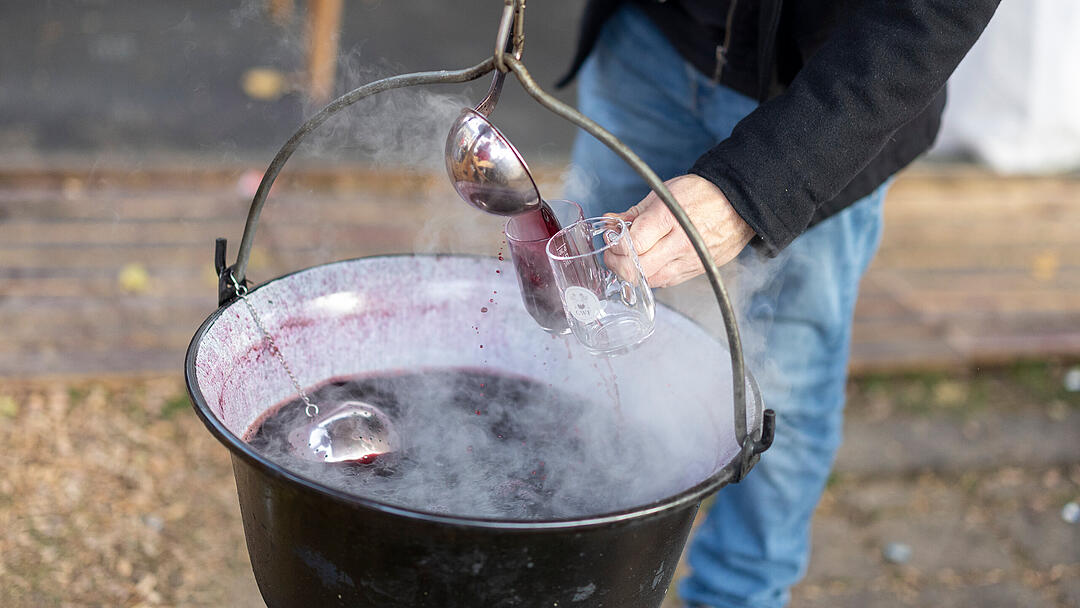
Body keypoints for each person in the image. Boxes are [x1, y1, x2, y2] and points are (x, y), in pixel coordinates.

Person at [558, 1, 1000, 606]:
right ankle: (577, 577)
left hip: (827, 94)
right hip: (651, 40)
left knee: (781, 388)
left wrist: (753, 190)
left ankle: (738, 593)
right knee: (587, 338)